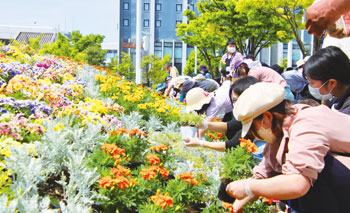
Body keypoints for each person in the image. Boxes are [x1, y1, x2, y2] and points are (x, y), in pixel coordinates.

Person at [226, 82, 350, 212]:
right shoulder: (283, 126)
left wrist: (248, 186)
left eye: (252, 128)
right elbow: (265, 171)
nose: (254, 135)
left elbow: (298, 184)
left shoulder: (306, 123)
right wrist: (235, 208)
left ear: (267, 116)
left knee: (308, 172)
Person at [303, 46, 350, 114]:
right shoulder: (337, 99)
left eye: (312, 83)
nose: (310, 86)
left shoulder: (347, 113)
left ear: (332, 83)